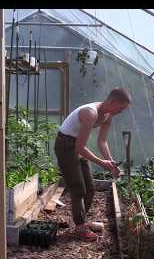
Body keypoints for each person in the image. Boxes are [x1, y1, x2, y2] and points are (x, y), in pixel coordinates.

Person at [54, 87, 131, 241]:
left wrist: (111, 162)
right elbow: (79, 148)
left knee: (90, 188)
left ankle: (81, 223)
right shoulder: (90, 113)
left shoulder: (107, 115)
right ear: (112, 101)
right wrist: (101, 163)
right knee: (78, 189)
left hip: (76, 144)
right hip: (65, 145)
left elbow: (102, 141)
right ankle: (80, 227)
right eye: (121, 107)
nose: (122, 111)